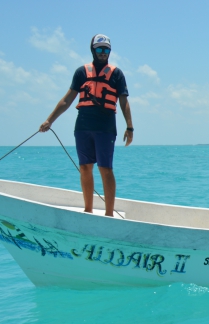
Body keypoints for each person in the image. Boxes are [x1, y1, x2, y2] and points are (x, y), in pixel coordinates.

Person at [39, 34, 133, 218]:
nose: (103, 53)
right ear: (93, 50)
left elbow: (124, 102)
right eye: (99, 49)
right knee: (85, 167)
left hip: (105, 128)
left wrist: (130, 127)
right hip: (83, 126)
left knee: (105, 169)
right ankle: (88, 210)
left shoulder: (117, 74)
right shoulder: (81, 72)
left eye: (106, 49)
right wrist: (50, 120)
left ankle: (108, 215)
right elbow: (67, 100)